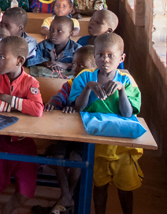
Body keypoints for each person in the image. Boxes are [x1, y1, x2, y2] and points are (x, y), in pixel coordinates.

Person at [70, 33, 142, 214]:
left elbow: (128, 113)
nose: (105, 60)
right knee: (99, 186)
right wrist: (88, 88)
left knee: (125, 188)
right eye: (100, 55)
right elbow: (78, 108)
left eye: (111, 56)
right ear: (94, 56)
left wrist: (121, 90)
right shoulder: (85, 78)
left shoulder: (127, 81)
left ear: (121, 58)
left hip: (121, 147)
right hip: (96, 146)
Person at [0, 36, 44, 214]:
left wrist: (8, 99)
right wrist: (18, 107)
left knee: (27, 191)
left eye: (2, 57)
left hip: (23, 144)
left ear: (20, 60)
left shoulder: (31, 82)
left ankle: (5, 210)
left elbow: (38, 109)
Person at [43, 46, 97, 214]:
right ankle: (66, 195)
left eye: (81, 65)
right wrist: (54, 103)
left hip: (83, 135)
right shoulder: (70, 84)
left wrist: (75, 109)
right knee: (58, 155)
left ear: (94, 69)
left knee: (76, 159)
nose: (75, 69)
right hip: (66, 133)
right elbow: (60, 96)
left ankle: (69, 194)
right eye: (74, 64)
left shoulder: (96, 89)